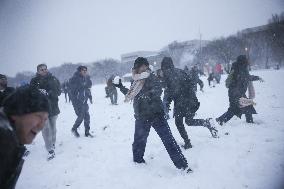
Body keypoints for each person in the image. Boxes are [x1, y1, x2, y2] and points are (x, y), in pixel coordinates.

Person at [114, 57, 192, 172]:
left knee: (168, 140)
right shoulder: (135, 80)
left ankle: (182, 166)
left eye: (145, 65)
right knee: (139, 142)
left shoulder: (152, 77)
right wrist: (120, 86)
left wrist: (148, 95)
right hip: (141, 116)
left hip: (157, 115)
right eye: (141, 66)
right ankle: (138, 162)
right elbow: (131, 94)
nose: (143, 68)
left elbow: (158, 90)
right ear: (136, 68)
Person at [161, 57, 218, 150]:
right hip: (190, 101)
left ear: (163, 66)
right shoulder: (180, 71)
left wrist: (166, 105)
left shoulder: (168, 75)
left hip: (182, 103)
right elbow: (190, 83)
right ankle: (207, 123)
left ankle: (187, 142)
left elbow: (169, 92)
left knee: (179, 123)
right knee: (189, 121)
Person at [0, 85, 50, 189]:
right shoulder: (4, 141)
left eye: (45, 119)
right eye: (38, 116)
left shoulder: (10, 138)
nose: (41, 126)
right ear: (16, 112)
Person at [216, 55, 263, 125]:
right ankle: (221, 120)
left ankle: (249, 121)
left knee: (247, 105)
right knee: (234, 109)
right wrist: (257, 78)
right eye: (246, 60)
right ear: (243, 61)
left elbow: (245, 77)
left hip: (237, 92)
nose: (247, 61)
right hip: (236, 92)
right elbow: (247, 77)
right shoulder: (240, 69)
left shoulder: (237, 67)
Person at [30, 64, 61, 160]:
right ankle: (50, 149)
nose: (44, 70)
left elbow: (59, 91)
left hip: (53, 107)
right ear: (38, 71)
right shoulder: (34, 81)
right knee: (46, 129)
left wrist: (50, 93)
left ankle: (52, 143)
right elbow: (31, 94)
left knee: (53, 128)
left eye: (45, 69)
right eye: (41, 69)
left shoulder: (54, 79)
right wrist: (39, 93)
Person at [69, 66, 93, 138]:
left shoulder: (85, 78)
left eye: (86, 70)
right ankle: (74, 129)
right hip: (78, 101)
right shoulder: (74, 79)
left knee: (87, 117)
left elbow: (88, 88)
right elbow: (73, 90)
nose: (85, 71)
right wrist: (82, 86)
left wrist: (90, 97)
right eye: (83, 70)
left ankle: (87, 132)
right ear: (79, 71)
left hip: (84, 101)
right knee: (81, 116)